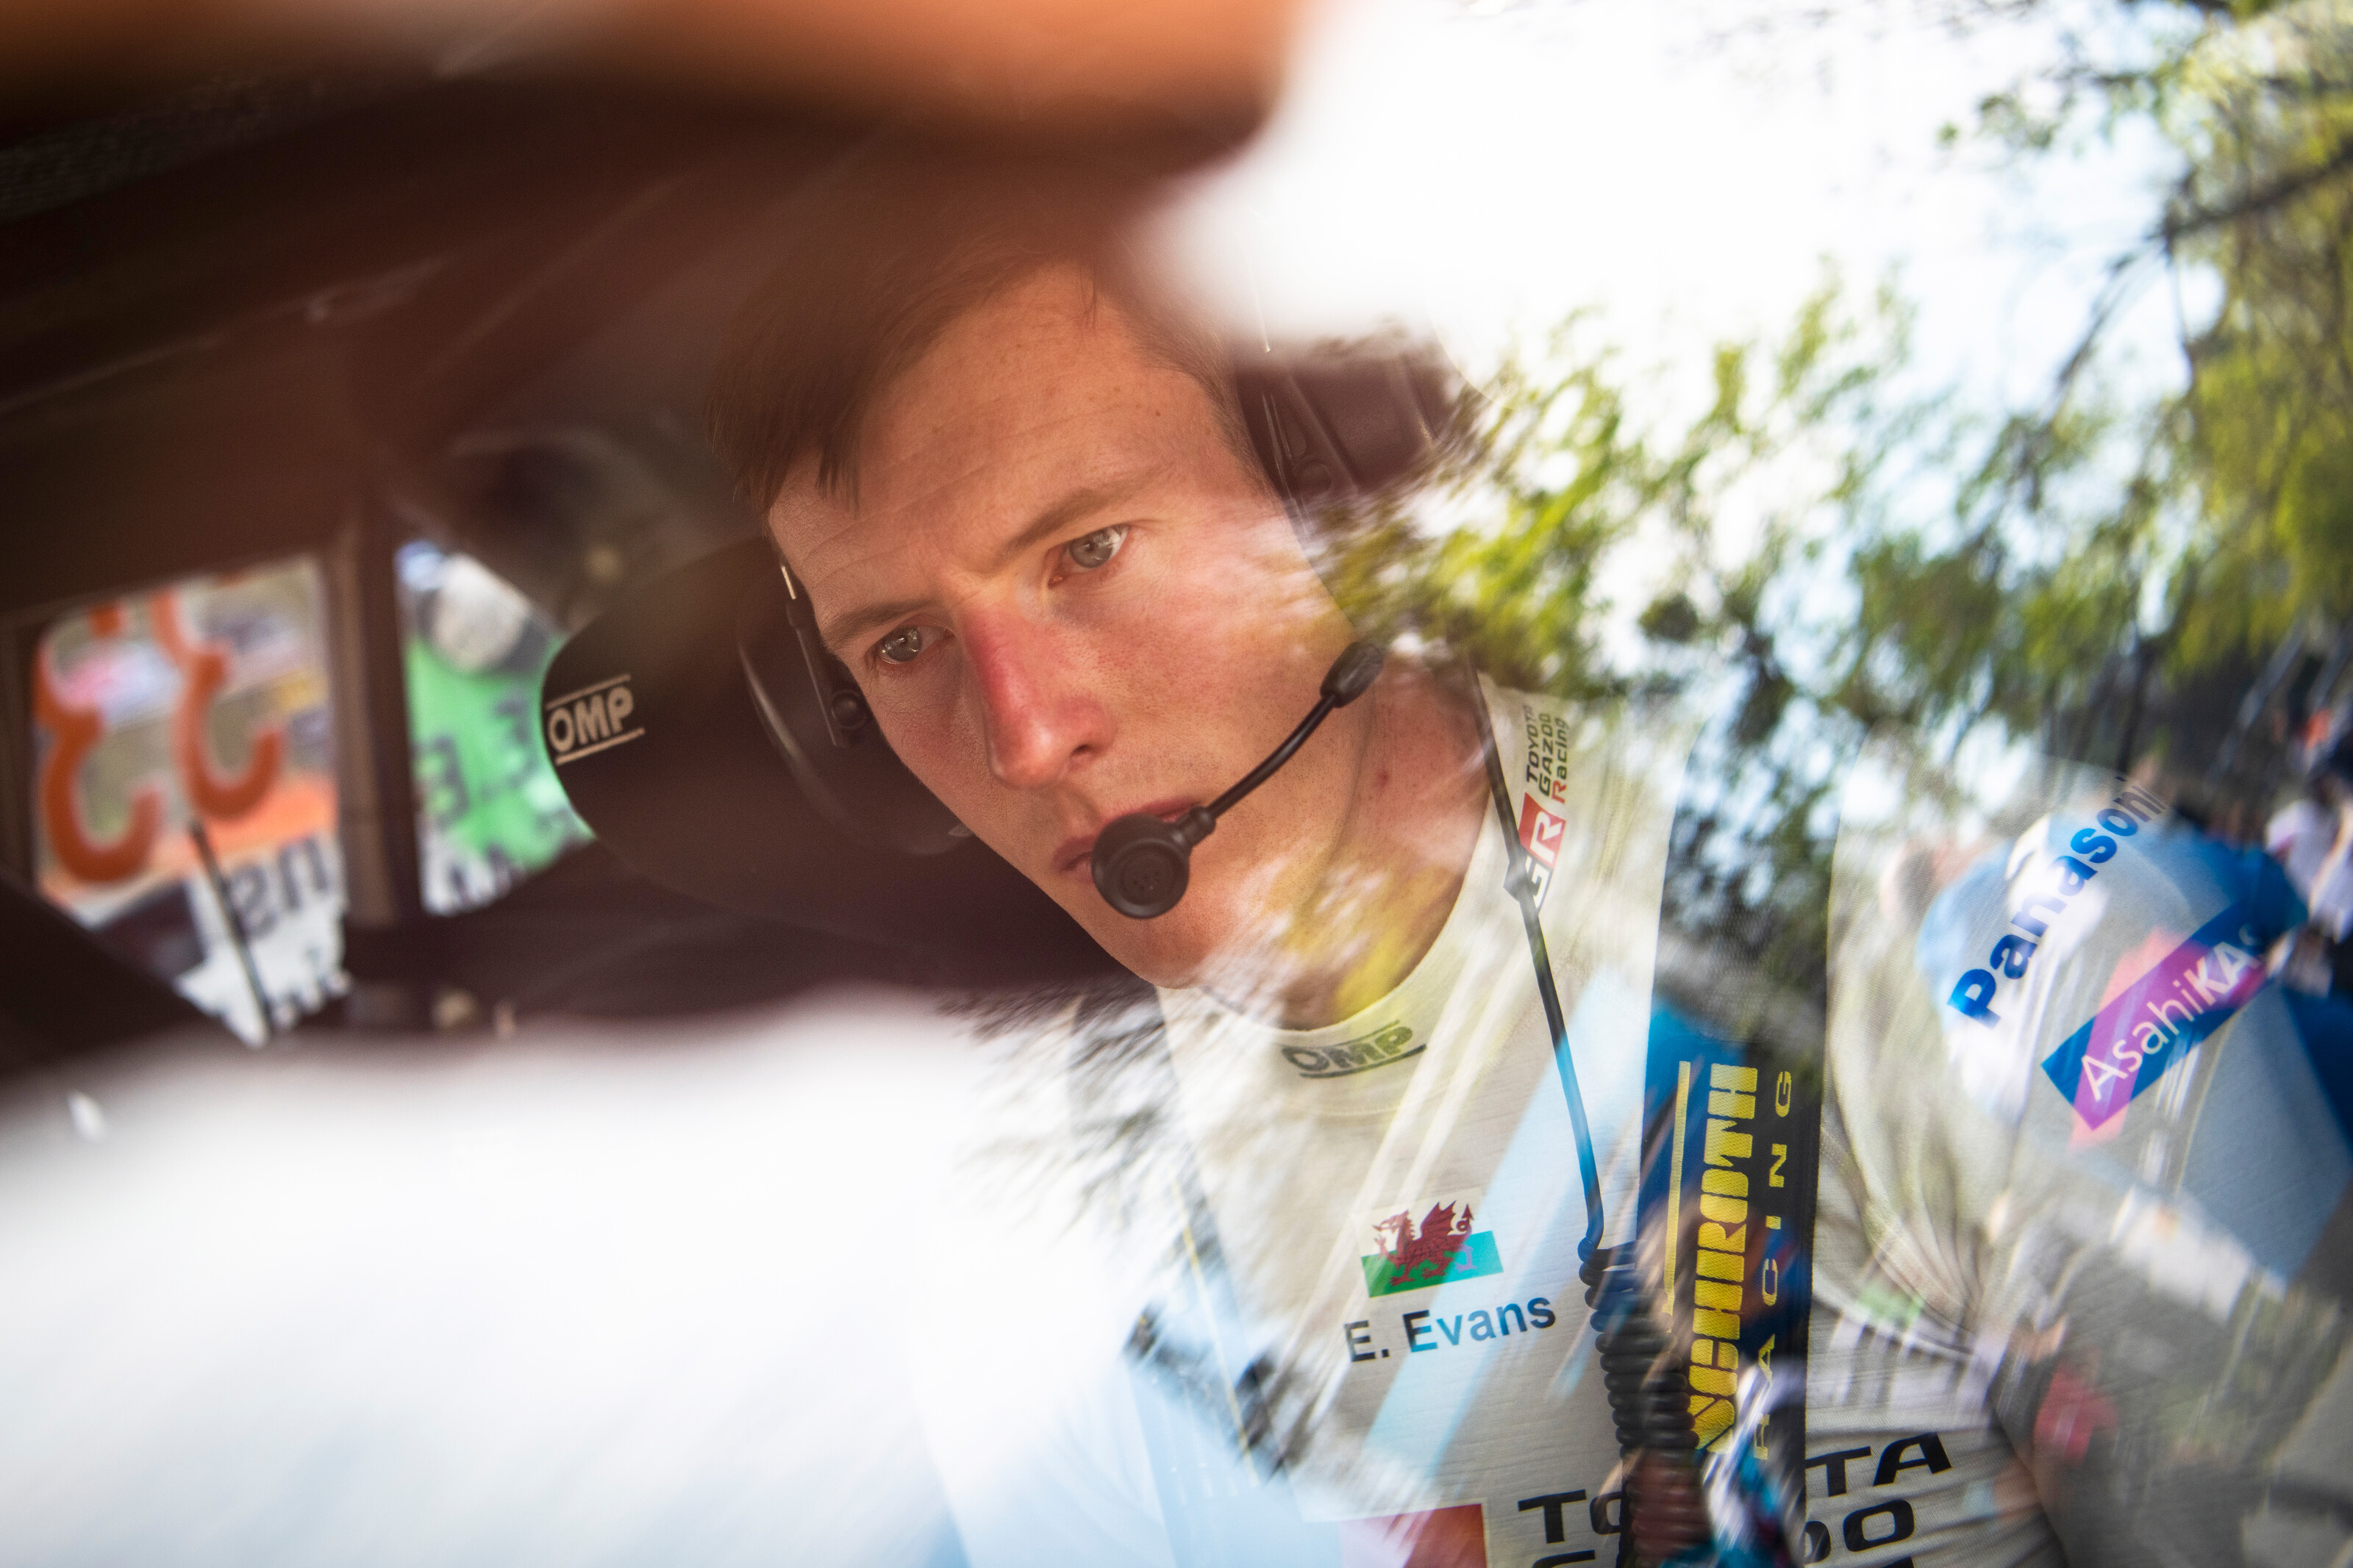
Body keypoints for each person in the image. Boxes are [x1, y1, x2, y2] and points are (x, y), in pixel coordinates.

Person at [701, 157, 2353, 1567]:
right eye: (901, 643)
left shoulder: (1978, 947)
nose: (1019, 735)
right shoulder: (1028, 1270)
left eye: (1089, 550)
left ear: (1332, 480)